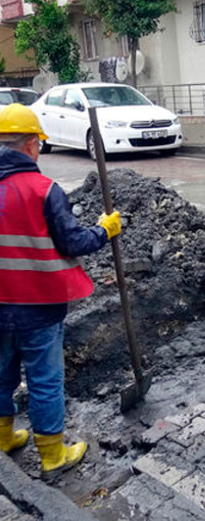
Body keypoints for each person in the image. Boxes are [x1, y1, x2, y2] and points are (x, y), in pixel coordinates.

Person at [0, 103, 121, 479]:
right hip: (39, 307)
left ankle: (4, 438)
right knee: (44, 380)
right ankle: (52, 456)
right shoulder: (43, 190)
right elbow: (72, 242)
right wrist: (105, 230)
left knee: (1, 373)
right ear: (32, 144)